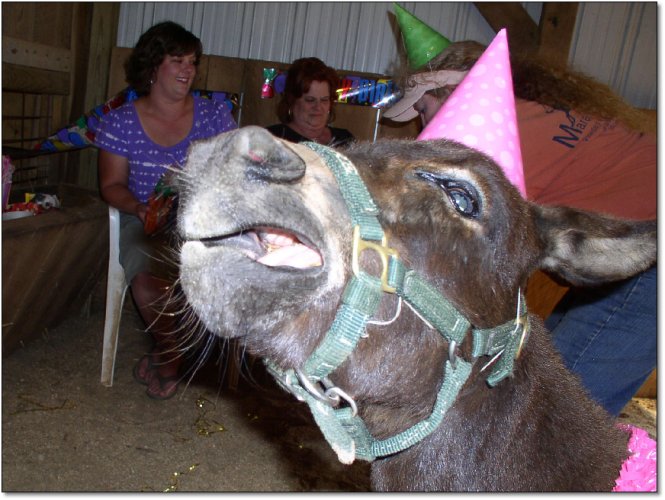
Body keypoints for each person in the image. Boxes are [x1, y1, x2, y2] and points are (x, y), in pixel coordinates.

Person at [384, 40, 656, 417]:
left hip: (647, 248)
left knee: (555, 409)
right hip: (636, 237)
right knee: (547, 362)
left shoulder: (487, 137)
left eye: (423, 108)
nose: (423, 124)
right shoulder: (539, 109)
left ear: (450, 91)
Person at [95, 21, 237, 399]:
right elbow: (111, 186)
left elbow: (233, 172)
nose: (188, 70)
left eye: (192, 62)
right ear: (153, 66)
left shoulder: (214, 116)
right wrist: (140, 208)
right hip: (147, 219)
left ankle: (170, 351)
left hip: (204, 222)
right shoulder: (120, 122)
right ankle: (173, 352)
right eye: (178, 60)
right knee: (146, 272)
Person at [267, 57, 355, 147]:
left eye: (324, 100)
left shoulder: (344, 138)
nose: (318, 107)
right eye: (310, 100)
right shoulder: (272, 138)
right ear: (292, 100)